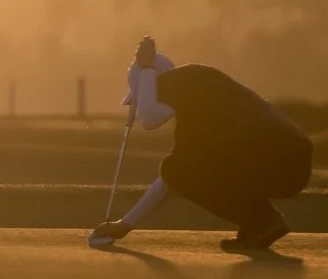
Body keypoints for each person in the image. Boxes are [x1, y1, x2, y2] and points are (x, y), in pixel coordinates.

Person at [91, 36, 313, 253]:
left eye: (141, 96)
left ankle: (262, 220)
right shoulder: (197, 104)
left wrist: (147, 69)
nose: (139, 106)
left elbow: (150, 121)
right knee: (182, 168)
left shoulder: (178, 81)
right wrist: (126, 224)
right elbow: (171, 178)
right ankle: (260, 225)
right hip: (293, 164)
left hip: (276, 158)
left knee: (179, 168)